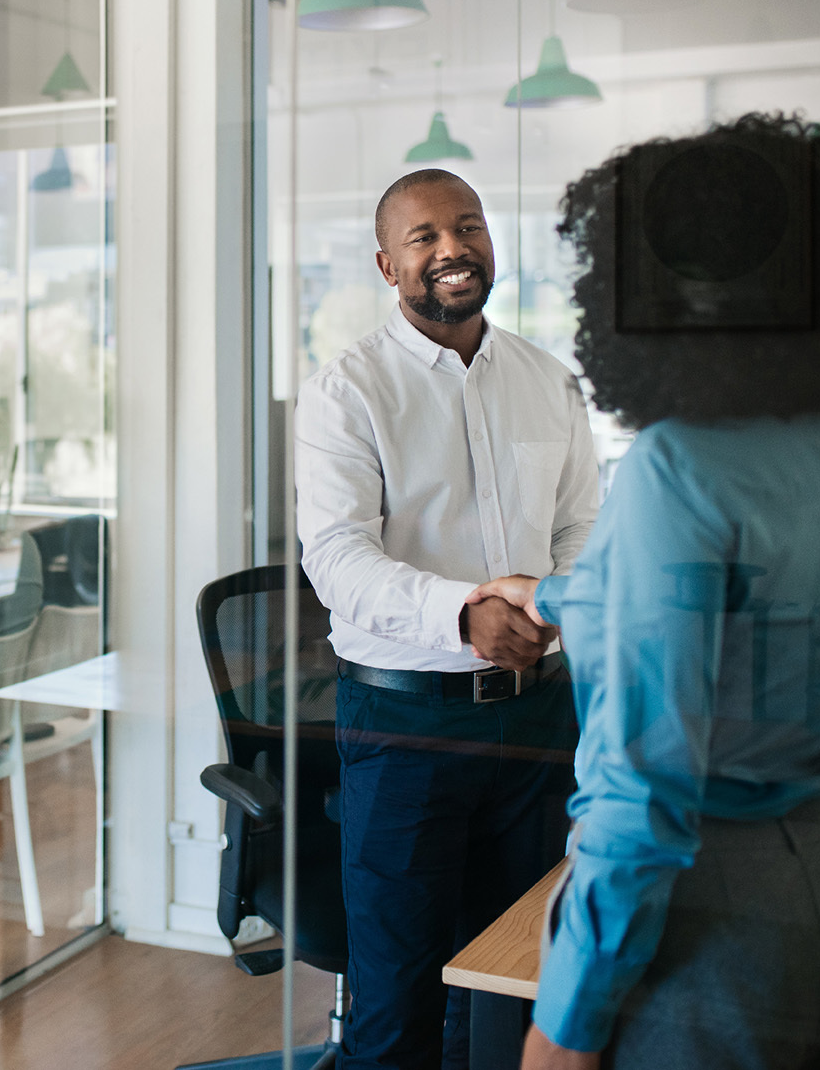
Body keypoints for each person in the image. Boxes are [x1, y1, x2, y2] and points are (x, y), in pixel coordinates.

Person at [466, 113, 820, 1070]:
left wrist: (564, 1028)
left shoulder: (677, 469)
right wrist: (558, 594)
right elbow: (744, 619)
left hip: (706, 933)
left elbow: (642, 791)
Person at [294, 167, 599, 1069]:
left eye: (467, 227)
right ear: (389, 266)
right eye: (425, 237)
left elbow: (582, 526)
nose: (452, 249)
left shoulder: (550, 382)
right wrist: (465, 616)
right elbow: (336, 558)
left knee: (513, 980)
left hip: (537, 716)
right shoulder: (347, 392)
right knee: (399, 997)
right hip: (405, 728)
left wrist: (550, 607)